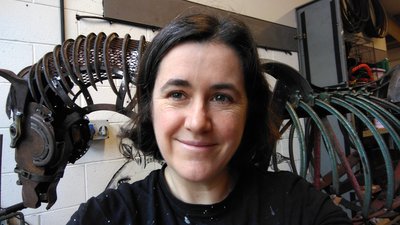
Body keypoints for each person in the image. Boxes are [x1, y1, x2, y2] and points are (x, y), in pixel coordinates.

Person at [67, 13, 351, 225]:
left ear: (249, 111)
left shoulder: (299, 207)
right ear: (149, 106)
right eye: (177, 94)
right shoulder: (103, 217)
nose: (197, 122)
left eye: (221, 98)